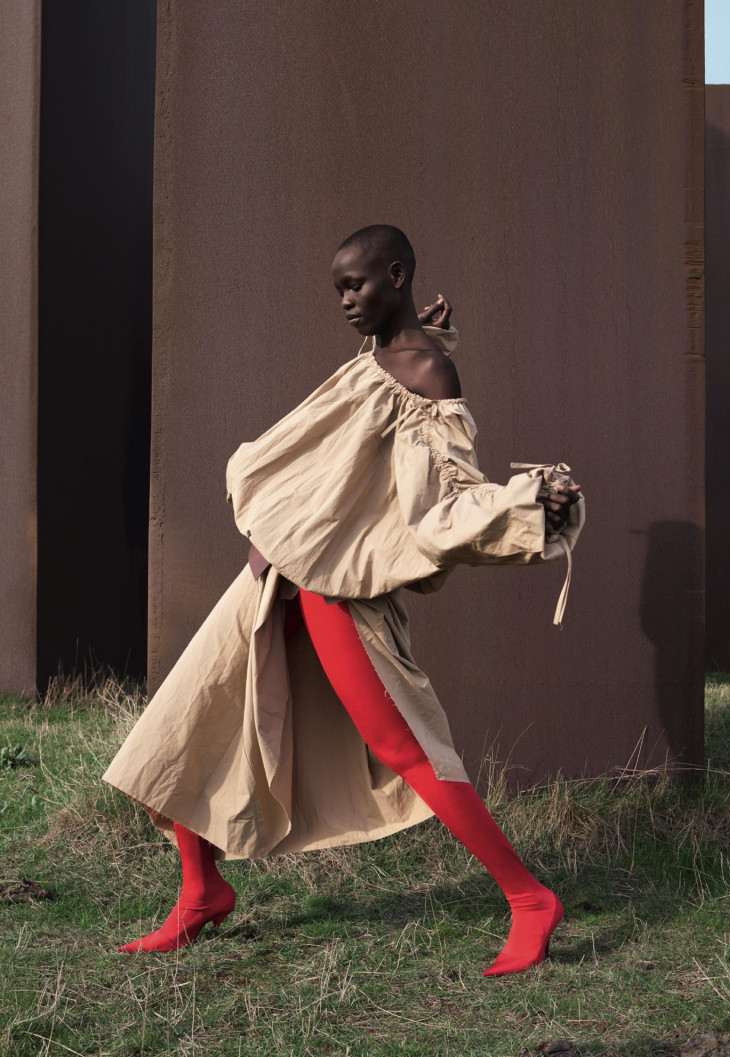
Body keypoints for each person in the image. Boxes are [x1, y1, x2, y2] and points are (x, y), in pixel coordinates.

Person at [104, 224, 585, 976]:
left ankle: (530, 899)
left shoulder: (428, 373)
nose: (346, 302)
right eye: (338, 290)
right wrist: (423, 322)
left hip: (336, 586)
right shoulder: (389, 356)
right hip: (276, 573)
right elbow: (357, 422)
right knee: (188, 716)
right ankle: (201, 891)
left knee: (405, 744)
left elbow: (447, 492)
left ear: (394, 273)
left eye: (357, 284)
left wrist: (527, 507)